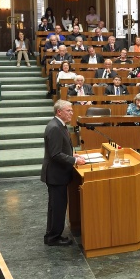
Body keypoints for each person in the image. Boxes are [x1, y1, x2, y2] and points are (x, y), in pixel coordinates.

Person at [41, 101, 85, 246]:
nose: (71, 113)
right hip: (56, 175)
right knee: (58, 206)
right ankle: (54, 237)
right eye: (68, 110)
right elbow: (55, 154)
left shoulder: (59, 125)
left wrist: (73, 155)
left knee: (55, 206)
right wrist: (74, 160)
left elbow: (62, 148)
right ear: (59, 112)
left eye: (71, 110)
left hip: (58, 173)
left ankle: (52, 234)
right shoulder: (54, 128)